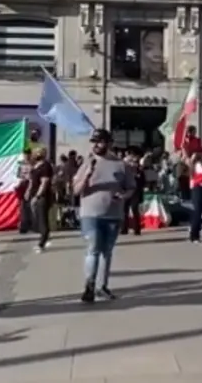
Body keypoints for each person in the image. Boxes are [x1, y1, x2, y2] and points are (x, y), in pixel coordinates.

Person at [73, 129, 135, 303]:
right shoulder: (86, 163)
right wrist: (87, 175)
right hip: (90, 214)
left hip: (113, 214)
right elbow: (76, 191)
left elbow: (131, 187)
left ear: (108, 143)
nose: (95, 145)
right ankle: (89, 286)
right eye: (94, 142)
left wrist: (123, 196)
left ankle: (103, 286)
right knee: (93, 249)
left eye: (99, 141)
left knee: (106, 252)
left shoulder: (121, 165)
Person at [28, 147, 55, 252]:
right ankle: (44, 238)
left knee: (43, 219)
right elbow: (32, 181)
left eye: (37, 153)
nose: (34, 155)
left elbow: (44, 183)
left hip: (43, 196)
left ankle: (42, 243)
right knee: (38, 219)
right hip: (35, 194)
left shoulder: (45, 166)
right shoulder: (36, 166)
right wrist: (28, 192)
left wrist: (37, 196)